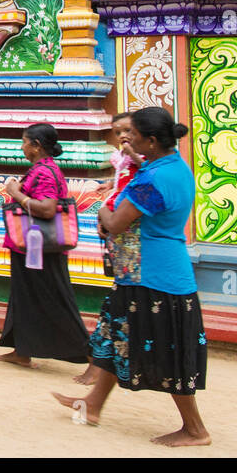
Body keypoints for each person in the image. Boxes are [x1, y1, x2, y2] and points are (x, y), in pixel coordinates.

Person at [53, 108, 211, 447]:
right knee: (116, 337)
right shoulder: (173, 167)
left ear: (151, 141)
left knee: (167, 353)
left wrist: (102, 207)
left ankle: (195, 429)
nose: (129, 140)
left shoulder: (154, 180)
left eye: (134, 135)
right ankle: (92, 405)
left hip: (153, 278)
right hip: (143, 272)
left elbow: (115, 223)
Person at [0, 122, 89, 368]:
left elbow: (46, 208)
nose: (22, 147)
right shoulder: (42, 168)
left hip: (41, 248)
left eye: (25, 142)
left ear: (36, 146)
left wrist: (16, 193)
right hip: (31, 246)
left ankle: (93, 359)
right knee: (23, 296)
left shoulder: (45, 171)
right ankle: (21, 350)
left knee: (56, 298)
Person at [76, 113, 142, 385]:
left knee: (119, 309)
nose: (123, 137)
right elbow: (125, 182)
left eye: (128, 131)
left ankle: (99, 370)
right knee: (117, 306)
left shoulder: (148, 163)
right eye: (118, 133)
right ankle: (98, 376)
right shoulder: (125, 160)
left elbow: (142, 174)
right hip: (122, 238)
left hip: (133, 244)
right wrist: (111, 187)